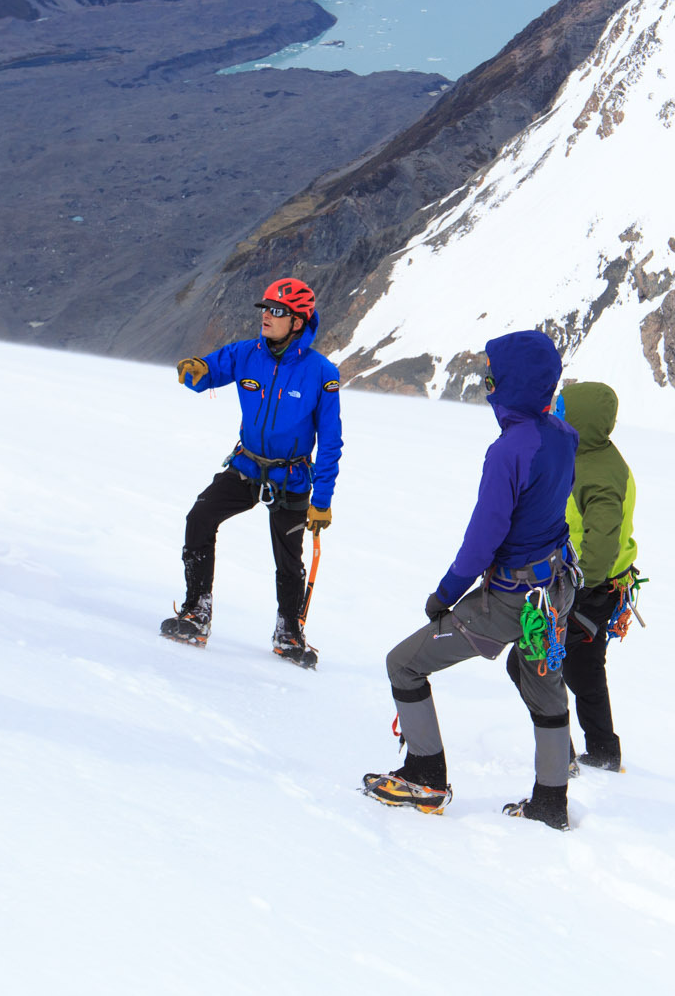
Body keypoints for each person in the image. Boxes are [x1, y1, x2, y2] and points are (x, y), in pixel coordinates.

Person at [363, 329, 580, 830]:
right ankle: (551, 801)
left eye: (491, 376)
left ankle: (425, 777)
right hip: (555, 590)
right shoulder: (562, 438)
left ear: (511, 383)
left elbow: (484, 539)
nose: (486, 385)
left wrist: (445, 593)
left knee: (404, 665)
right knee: (544, 688)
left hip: (508, 600)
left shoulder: (508, 451)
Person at [163, 278, 341, 669]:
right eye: (265, 309)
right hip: (246, 468)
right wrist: (195, 370)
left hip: (291, 479)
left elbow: (330, 442)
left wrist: (322, 501)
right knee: (200, 517)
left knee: (288, 560)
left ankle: (289, 631)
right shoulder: (248, 354)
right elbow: (209, 370)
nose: (267, 317)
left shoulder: (321, 373)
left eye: (277, 312)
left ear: (298, 322)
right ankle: (196, 611)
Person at [556, 381, 642, 774]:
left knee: (534, 665)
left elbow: (603, 542)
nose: (556, 413)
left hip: (591, 588)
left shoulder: (599, 474)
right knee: (580, 667)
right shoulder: (589, 456)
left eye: (562, 409)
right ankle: (602, 752)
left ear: (582, 421)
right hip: (595, 584)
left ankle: (561, 752)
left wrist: (577, 587)